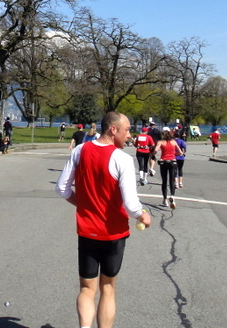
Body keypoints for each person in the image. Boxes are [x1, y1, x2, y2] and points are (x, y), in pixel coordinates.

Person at [56, 111, 151, 328]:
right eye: (127, 130)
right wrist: (141, 214)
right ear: (113, 129)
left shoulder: (80, 151)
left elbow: (62, 188)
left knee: (86, 289)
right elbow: (130, 203)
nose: (130, 135)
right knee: (108, 288)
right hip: (113, 233)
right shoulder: (123, 159)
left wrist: (83, 205)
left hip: (87, 230)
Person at [157, 130, 184, 208]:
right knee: (172, 180)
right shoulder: (173, 142)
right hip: (172, 161)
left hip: (164, 162)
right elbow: (180, 152)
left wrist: (153, 155)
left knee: (164, 181)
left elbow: (155, 150)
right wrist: (174, 154)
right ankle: (172, 195)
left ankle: (165, 199)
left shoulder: (161, 142)